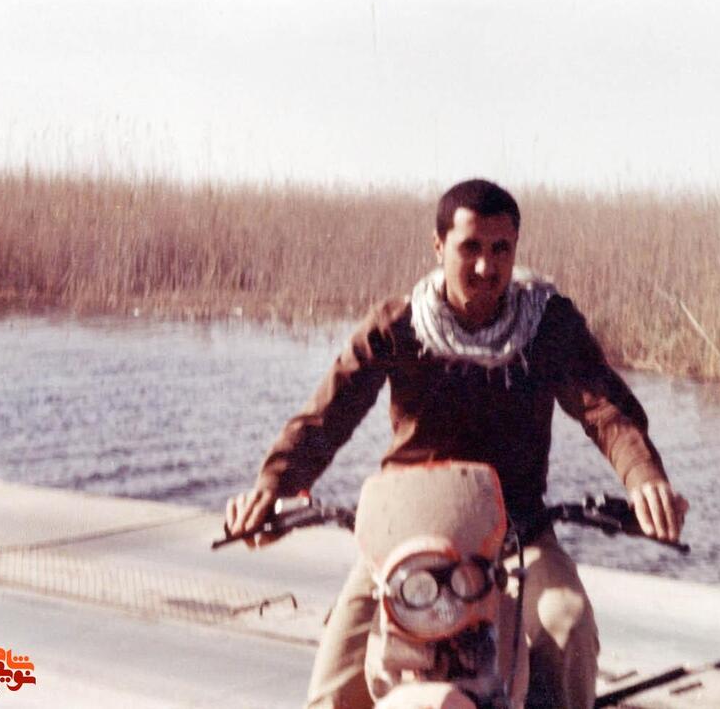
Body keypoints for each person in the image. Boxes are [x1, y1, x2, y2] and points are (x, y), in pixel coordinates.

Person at [225, 178, 689, 708]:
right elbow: (325, 418)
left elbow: (606, 411)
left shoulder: (546, 324)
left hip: (516, 533)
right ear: (439, 246)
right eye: (470, 247)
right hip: (405, 537)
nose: (486, 267)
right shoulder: (397, 325)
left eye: (501, 249)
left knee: (567, 625)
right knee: (335, 679)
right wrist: (271, 487)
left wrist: (644, 478)